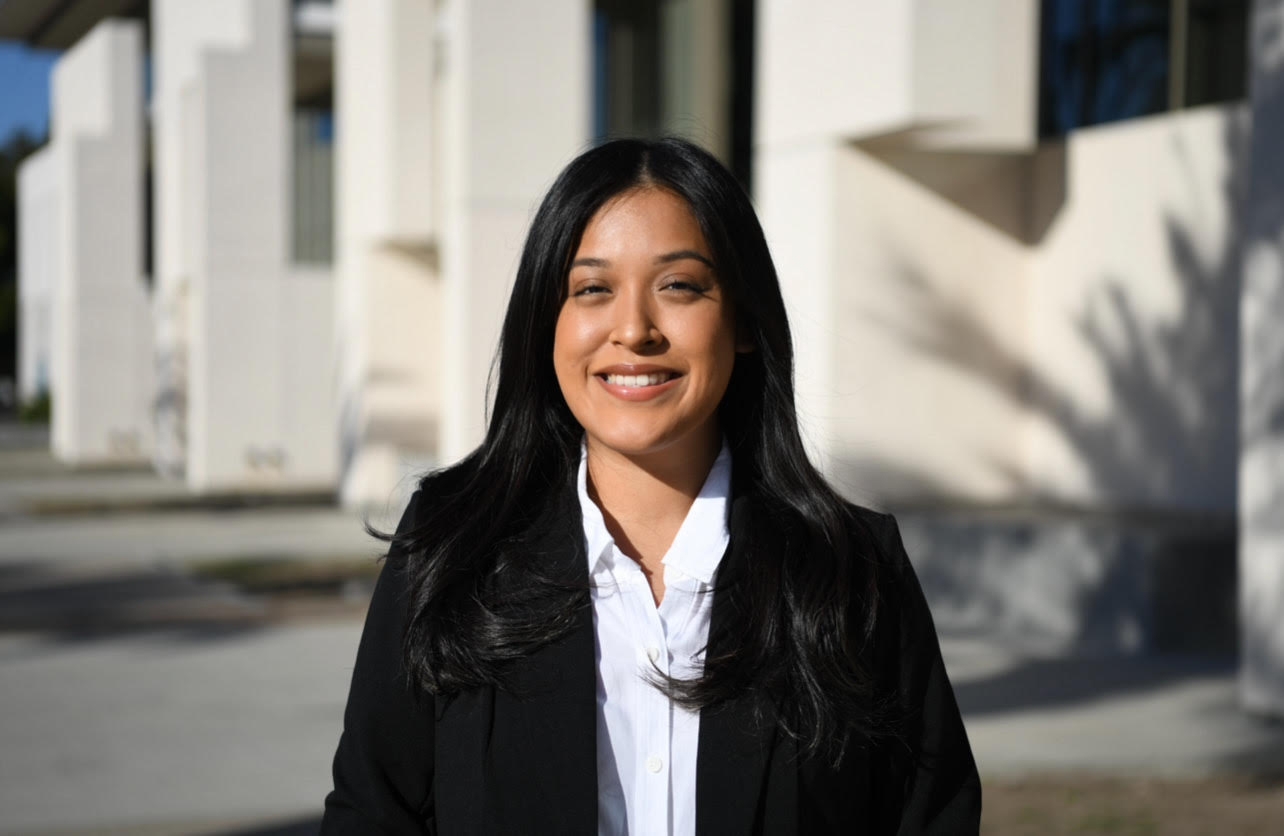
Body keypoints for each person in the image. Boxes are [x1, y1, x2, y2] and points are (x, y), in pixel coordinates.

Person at [321, 137, 981, 835]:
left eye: (679, 286)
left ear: (744, 321)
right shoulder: (452, 548)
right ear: (548, 325)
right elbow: (373, 813)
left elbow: (931, 817)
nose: (633, 330)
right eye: (592, 289)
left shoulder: (852, 569)